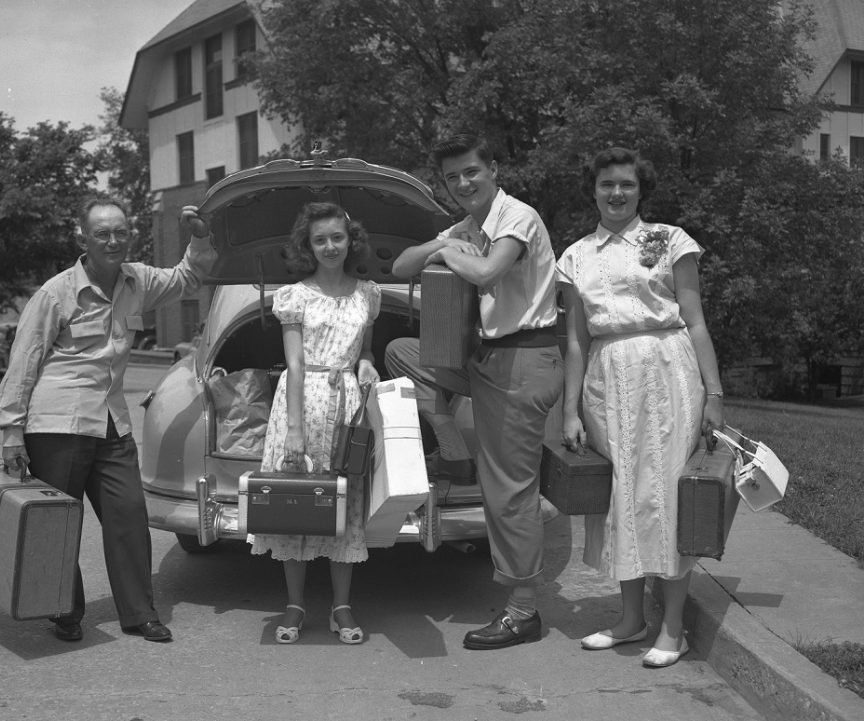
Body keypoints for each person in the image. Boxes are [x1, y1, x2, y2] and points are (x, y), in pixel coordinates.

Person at [0, 194, 217, 643]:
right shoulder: (55, 294)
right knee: (58, 520)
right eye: (102, 233)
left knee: (128, 517)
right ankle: (63, 609)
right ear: (84, 238)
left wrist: (200, 237)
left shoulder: (139, 281)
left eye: (120, 232)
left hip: (112, 422)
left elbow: (188, 277)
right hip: (57, 424)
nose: (113, 241)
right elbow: (24, 360)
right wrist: (12, 431)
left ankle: (138, 613)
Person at [385, 133, 563, 650]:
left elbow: (487, 271)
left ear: (494, 169)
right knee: (402, 350)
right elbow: (399, 267)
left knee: (508, 489)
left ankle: (523, 611)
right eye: (452, 177)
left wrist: (453, 253)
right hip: (485, 359)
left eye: (471, 172)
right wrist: (442, 244)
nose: (463, 183)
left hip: (523, 359)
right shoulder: (467, 226)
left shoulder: (517, 217)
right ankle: (454, 450)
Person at [557, 147, 725, 668]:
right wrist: (570, 410)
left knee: (667, 496)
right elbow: (577, 341)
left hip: (668, 372)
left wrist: (714, 393)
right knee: (622, 498)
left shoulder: (669, 240)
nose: (616, 193)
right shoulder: (576, 256)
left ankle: (673, 628)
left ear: (640, 189)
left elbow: (694, 321)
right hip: (607, 380)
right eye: (606, 184)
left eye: (626, 184)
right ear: (593, 190)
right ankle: (631, 619)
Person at [249, 201, 381, 645]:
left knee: (347, 503)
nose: (329, 246)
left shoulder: (368, 293)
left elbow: (366, 348)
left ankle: (341, 607)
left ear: (351, 240)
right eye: (319, 239)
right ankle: (295, 603)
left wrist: (365, 363)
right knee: (296, 503)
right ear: (308, 245)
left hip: (347, 407)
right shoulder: (295, 296)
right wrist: (294, 430)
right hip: (301, 403)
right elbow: (296, 364)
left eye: (337, 237)